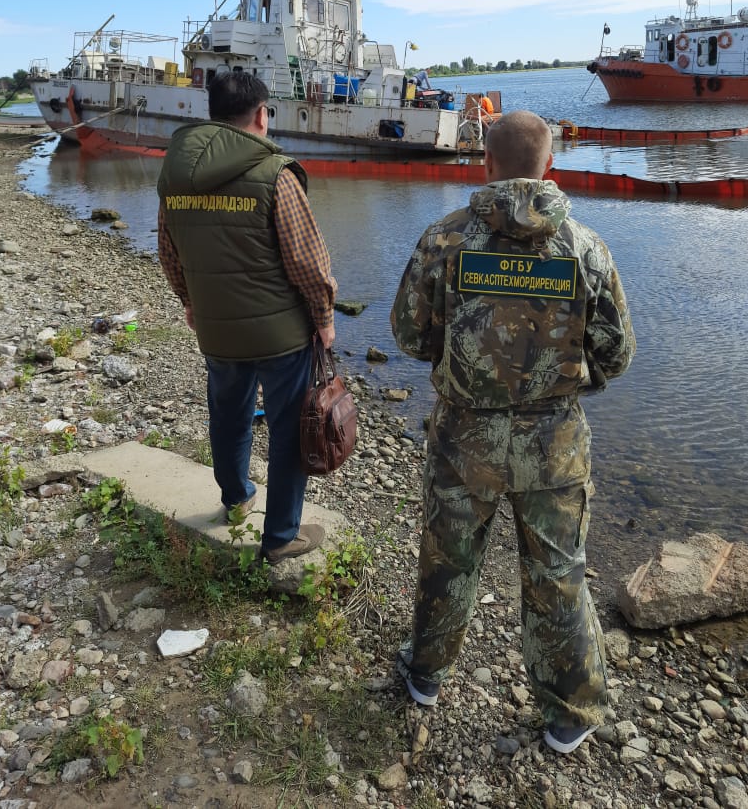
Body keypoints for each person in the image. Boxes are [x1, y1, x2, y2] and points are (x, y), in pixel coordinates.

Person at [390, 110, 635, 754]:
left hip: (461, 442)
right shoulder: (585, 248)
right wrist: (564, 380)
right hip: (554, 446)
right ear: (548, 165)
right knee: (558, 572)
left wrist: (461, 361)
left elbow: (410, 334)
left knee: (448, 559)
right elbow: (616, 353)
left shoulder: (444, 242)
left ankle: (425, 678)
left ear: (487, 164)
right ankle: (570, 714)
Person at [156, 71, 336, 564]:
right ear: (261, 114)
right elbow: (308, 260)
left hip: (216, 327)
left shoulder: (175, 173)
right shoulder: (275, 173)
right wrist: (323, 316)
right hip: (281, 334)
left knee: (229, 415)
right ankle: (279, 537)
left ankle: (236, 498)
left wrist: (190, 301)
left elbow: (169, 250)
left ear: (212, 113)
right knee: (288, 430)